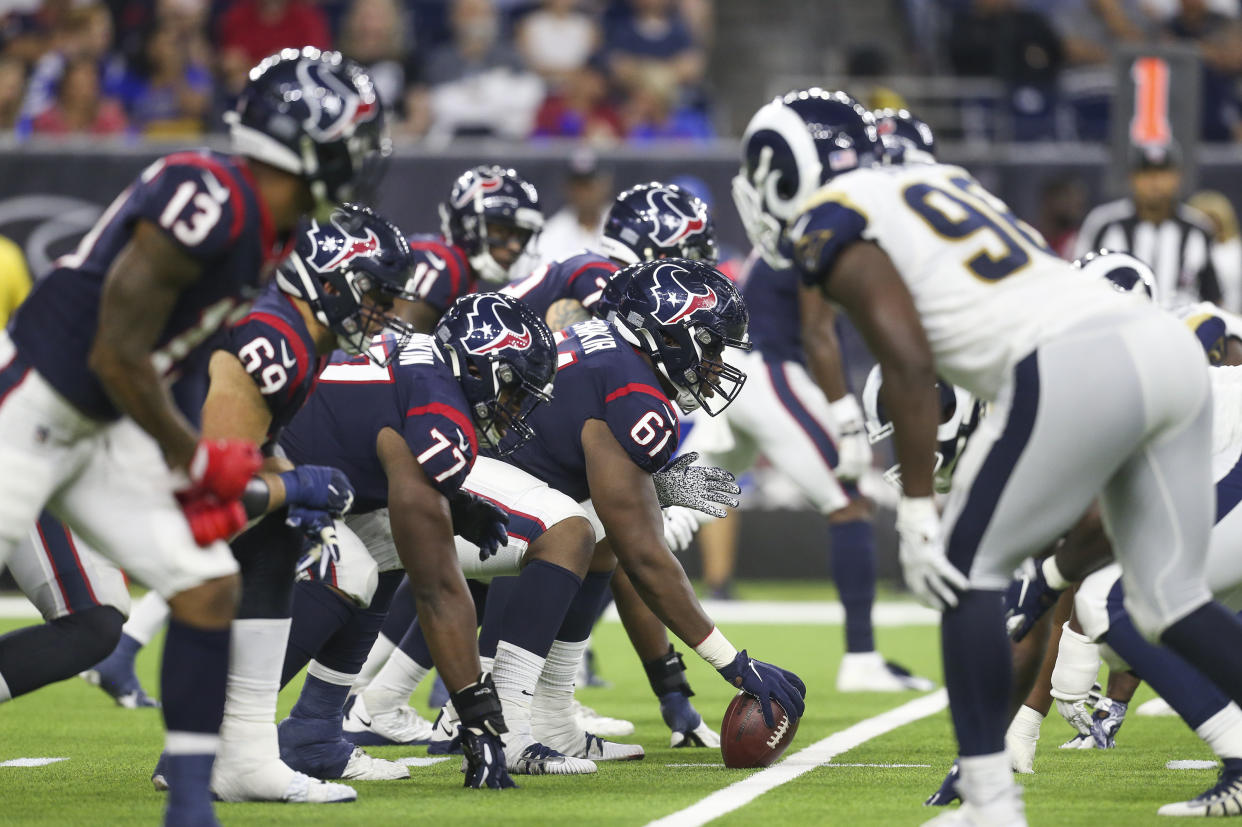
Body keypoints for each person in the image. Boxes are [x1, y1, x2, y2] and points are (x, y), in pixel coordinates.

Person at [735, 87, 1242, 826]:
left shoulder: (835, 218)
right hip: (1163, 350)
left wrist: (913, 505)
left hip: (1073, 361)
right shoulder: (943, 183)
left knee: (965, 572)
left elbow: (906, 365)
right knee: (1168, 600)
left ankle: (989, 800)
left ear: (786, 167)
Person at [0, 47, 388, 826]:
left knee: (206, 583)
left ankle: (190, 802)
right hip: (28, 402)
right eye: (353, 138)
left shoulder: (273, 228)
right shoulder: (210, 193)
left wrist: (209, 466)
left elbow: (147, 366)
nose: (362, 158)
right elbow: (115, 350)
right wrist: (192, 458)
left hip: (94, 423)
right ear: (304, 140)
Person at [27, 204, 416, 804]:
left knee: (247, 550)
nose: (386, 311)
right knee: (123, 613)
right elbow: (204, 484)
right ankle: (221, 761)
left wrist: (291, 480)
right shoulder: (273, 338)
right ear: (330, 279)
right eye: (376, 293)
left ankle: (245, 756)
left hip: (107, 461)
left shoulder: (301, 336)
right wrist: (299, 486)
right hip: (58, 452)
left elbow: (245, 456)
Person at [272, 292, 557, 789]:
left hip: (288, 466)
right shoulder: (437, 409)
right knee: (355, 567)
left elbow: (376, 447)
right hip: (257, 475)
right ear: (476, 366)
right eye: (513, 391)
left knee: (383, 548)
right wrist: (476, 714)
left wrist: (459, 504)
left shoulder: (428, 370)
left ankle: (313, 732)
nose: (515, 410)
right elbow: (440, 589)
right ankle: (216, 737)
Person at [1073, 143, 1220, 308]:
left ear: (1178, 178)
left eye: (1163, 173)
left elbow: (1214, 296)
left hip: (1181, 329)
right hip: (1118, 327)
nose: (1155, 181)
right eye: (1146, 173)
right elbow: (1078, 283)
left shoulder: (1199, 228)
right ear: (1132, 178)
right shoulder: (1103, 223)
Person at [402, 165, 544, 333]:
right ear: (468, 225)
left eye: (521, 236)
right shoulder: (444, 264)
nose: (515, 247)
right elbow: (398, 349)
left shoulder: (461, 273)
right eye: (502, 232)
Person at [533, 152, 614, 265]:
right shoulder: (552, 233)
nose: (584, 193)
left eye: (590, 185)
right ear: (567, 189)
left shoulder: (624, 223)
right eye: (578, 186)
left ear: (605, 185)